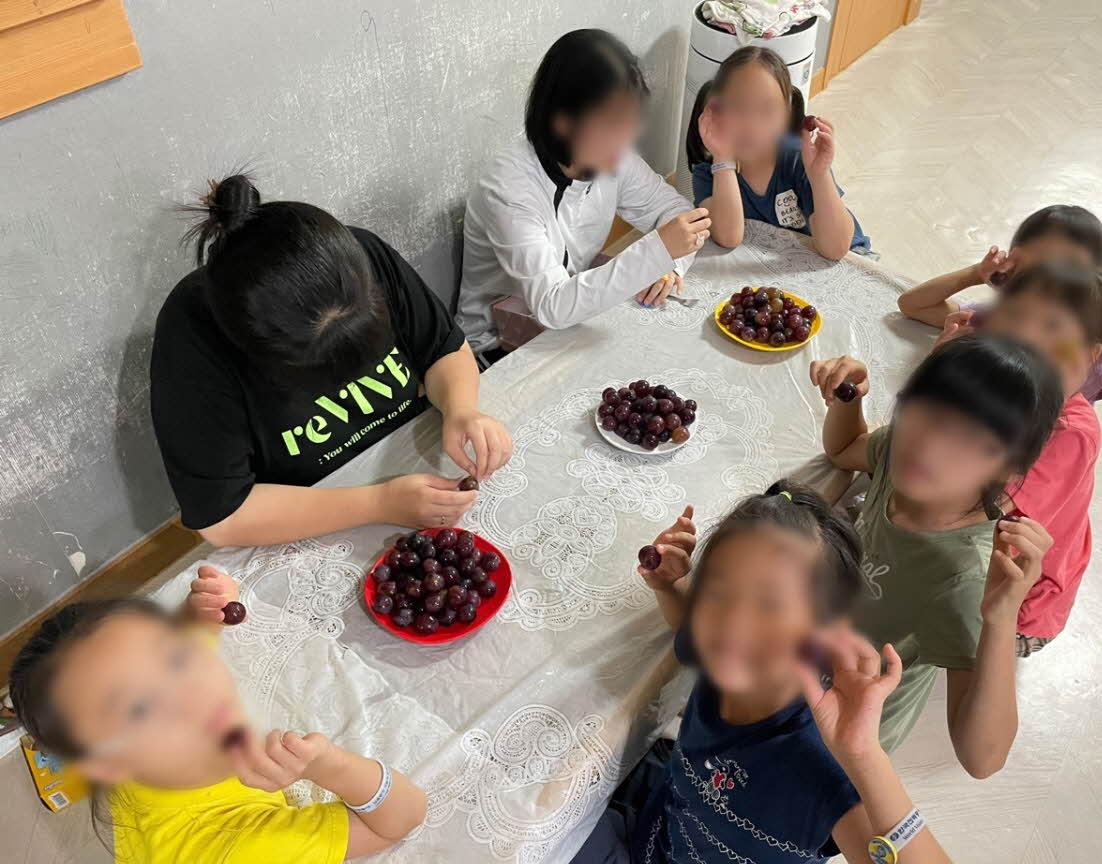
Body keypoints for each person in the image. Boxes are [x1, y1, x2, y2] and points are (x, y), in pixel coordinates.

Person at [551, 485, 972, 864]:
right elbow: (687, 628)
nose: (734, 622)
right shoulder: (726, 657)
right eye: (719, 590)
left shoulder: (818, 767)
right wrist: (669, 586)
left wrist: (865, 756)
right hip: (652, 837)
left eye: (769, 605)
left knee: (526, 841)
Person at [7, 567, 427, 864]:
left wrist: (199, 614)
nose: (194, 694)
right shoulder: (240, 852)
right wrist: (329, 766)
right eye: (140, 708)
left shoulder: (135, 763)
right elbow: (400, 820)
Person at [151, 174, 512, 548]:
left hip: (408, 458)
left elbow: (441, 348)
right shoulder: (193, 337)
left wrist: (461, 409)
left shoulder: (360, 257)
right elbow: (223, 517)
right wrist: (378, 503)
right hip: (310, 513)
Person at [812, 334, 1060, 776]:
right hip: (812, 661)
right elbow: (844, 449)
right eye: (923, 409)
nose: (927, 442)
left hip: (849, 735)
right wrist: (849, 400)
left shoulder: (965, 577)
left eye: (967, 438)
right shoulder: (899, 456)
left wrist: (1001, 619)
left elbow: (982, 759)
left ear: (1009, 467)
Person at [457, 29, 711, 359]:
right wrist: (656, 251)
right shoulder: (508, 189)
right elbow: (552, 305)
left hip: (567, 318)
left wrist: (669, 266)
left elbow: (680, 214)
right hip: (498, 347)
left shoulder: (612, 156)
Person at [953, 261, 1102, 654]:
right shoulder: (1006, 390)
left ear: (1091, 355)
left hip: (1022, 608)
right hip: (986, 545)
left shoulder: (1071, 432)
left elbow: (979, 510)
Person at [897, 204, 1102, 423]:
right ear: (1012, 267)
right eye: (1037, 271)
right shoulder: (999, 318)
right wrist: (975, 274)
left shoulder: (1090, 347)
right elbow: (913, 305)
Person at [686, 45, 870, 259]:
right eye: (738, 107)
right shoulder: (709, 173)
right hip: (774, 264)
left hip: (844, 258)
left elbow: (836, 249)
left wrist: (819, 176)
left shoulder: (798, 158)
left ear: (786, 116)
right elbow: (728, 238)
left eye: (767, 110)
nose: (752, 125)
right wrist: (723, 158)